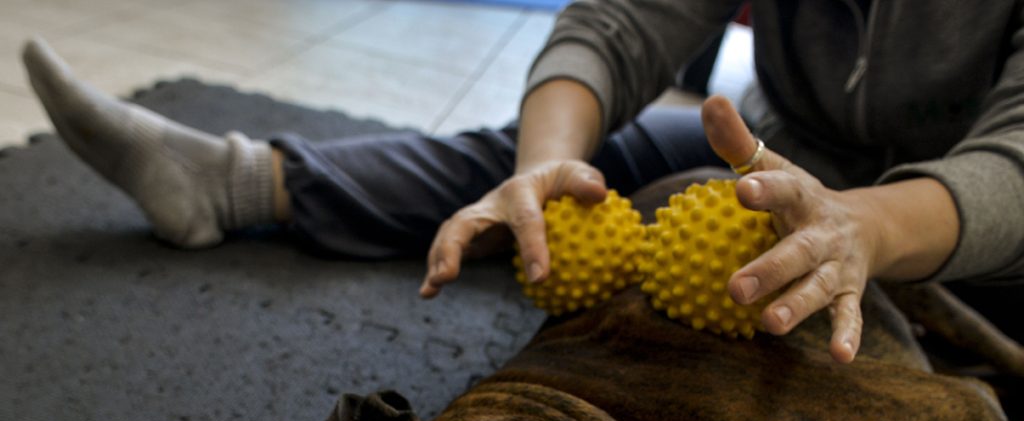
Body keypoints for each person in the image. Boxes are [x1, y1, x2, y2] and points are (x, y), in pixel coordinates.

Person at [21, 1, 1024, 363]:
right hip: (780, 156)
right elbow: (617, 24)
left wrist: (860, 228)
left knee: (687, 186)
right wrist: (546, 164)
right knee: (551, 162)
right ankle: (237, 181)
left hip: (968, 229)